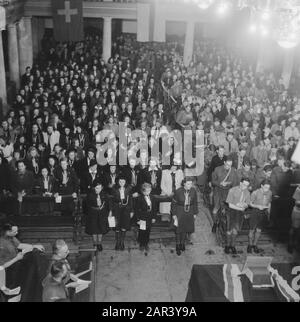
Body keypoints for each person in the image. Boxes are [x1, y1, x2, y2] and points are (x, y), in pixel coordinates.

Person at [171, 177, 198, 256]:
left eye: (191, 184)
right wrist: (174, 214)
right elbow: (173, 204)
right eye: (188, 184)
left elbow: (195, 202)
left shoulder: (193, 191)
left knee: (185, 228)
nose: (190, 185)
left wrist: (195, 213)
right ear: (184, 184)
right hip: (180, 211)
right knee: (179, 229)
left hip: (190, 211)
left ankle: (182, 243)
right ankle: (178, 244)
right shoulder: (178, 191)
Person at [211, 157, 239, 233]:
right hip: (218, 191)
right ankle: (215, 223)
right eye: (227, 164)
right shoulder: (217, 169)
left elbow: (236, 183)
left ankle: (226, 226)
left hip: (228, 193)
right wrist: (220, 184)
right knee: (215, 210)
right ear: (224, 162)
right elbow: (213, 181)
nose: (228, 166)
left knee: (227, 211)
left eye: (230, 165)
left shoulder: (234, 171)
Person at [225, 178, 251, 255]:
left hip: (239, 214)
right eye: (244, 184)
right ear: (240, 183)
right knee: (229, 230)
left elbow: (247, 203)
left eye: (247, 185)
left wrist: (244, 205)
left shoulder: (247, 192)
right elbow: (229, 204)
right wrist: (240, 207)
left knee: (236, 230)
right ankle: (227, 246)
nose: (245, 186)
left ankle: (233, 246)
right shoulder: (232, 190)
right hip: (231, 212)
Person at [85, 180, 110, 252]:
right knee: (94, 230)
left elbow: (108, 203)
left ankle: (99, 243)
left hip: (102, 214)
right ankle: (95, 243)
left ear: (102, 188)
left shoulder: (105, 194)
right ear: (93, 188)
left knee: (100, 230)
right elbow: (87, 205)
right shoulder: (90, 195)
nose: (98, 190)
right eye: (96, 188)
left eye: (99, 188)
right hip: (93, 214)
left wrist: (109, 211)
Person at [248, 180, 272, 254]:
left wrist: (269, 212)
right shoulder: (255, 193)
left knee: (259, 230)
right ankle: (250, 245)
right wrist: (258, 206)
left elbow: (270, 202)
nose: (267, 189)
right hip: (255, 212)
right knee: (252, 230)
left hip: (263, 213)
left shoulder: (270, 192)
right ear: (261, 185)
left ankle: (255, 245)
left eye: (268, 188)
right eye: (265, 187)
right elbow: (250, 204)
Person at [110, 176, 134, 251]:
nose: (121, 183)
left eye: (123, 182)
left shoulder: (129, 189)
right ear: (118, 182)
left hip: (126, 210)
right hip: (117, 210)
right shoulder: (114, 189)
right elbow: (111, 200)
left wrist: (132, 211)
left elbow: (130, 200)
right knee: (117, 227)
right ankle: (117, 243)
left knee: (124, 226)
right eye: (120, 182)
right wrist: (111, 210)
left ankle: (122, 242)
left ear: (125, 182)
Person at [135, 183, 156, 255]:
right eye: (146, 191)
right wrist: (138, 219)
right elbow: (137, 210)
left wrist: (153, 217)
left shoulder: (152, 197)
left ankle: (146, 243)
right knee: (142, 230)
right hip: (142, 217)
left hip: (149, 217)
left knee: (148, 230)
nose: (148, 192)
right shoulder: (139, 198)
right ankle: (141, 243)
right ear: (143, 191)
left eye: (149, 191)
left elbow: (154, 208)